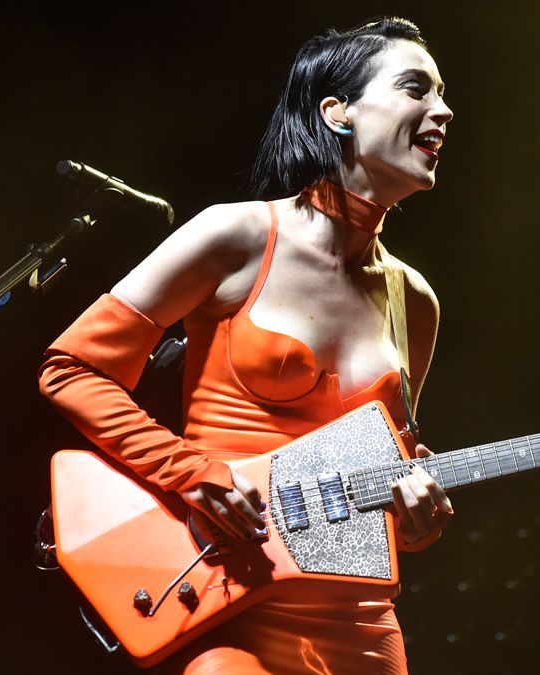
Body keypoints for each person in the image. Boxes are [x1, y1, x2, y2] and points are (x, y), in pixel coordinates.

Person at [38, 16, 455, 674]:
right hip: (228, 602)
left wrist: (416, 521)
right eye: (416, 88)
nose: (443, 109)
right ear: (337, 111)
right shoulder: (235, 237)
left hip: (363, 625)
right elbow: (71, 366)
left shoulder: (417, 302)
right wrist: (190, 470)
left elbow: (388, 477)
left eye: (443, 95)